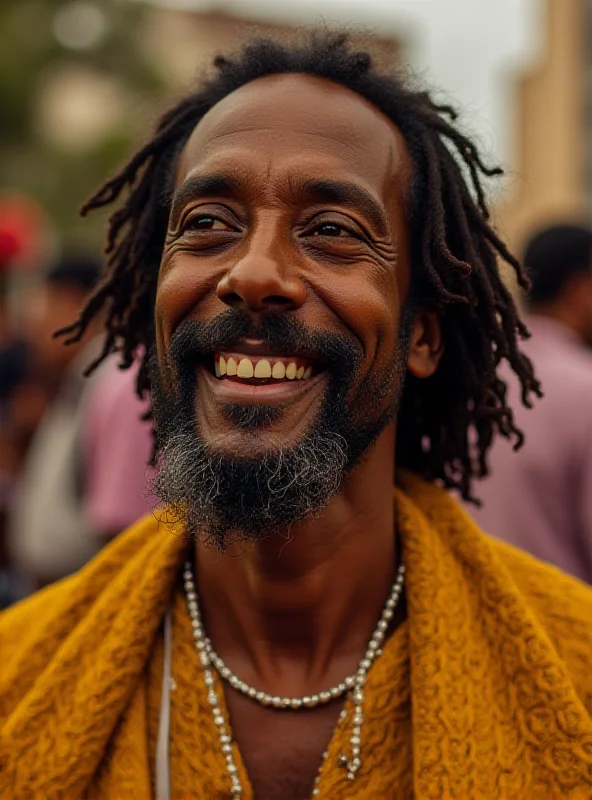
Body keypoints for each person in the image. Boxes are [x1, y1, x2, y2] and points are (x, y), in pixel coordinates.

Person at [1, 34, 591, 800]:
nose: (252, 274)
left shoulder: (574, 671)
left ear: (422, 332)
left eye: (332, 232)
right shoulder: (20, 677)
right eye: (209, 222)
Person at [7, 257, 153, 589]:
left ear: (75, 305)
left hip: (89, 595)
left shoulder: (124, 381)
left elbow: (124, 532)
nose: (32, 326)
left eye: (42, 307)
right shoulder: (86, 373)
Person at [468, 224, 592, 582]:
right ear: (578, 289)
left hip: (458, 616)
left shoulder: (469, 375)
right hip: (563, 628)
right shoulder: (584, 388)